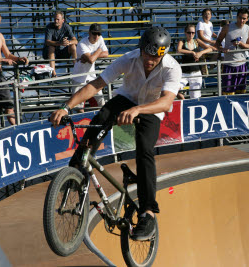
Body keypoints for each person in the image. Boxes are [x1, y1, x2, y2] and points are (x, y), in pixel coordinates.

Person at [50, 26, 181, 240]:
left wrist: (138, 110)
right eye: (148, 56)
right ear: (141, 50)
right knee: (101, 118)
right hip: (127, 98)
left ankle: (148, 213)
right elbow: (96, 84)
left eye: (156, 58)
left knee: (145, 150)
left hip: (151, 108)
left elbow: (166, 102)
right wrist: (66, 107)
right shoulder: (127, 59)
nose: (151, 61)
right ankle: (74, 171)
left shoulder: (171, 67)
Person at [0, 12, 29, 128]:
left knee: (9, 105)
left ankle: (18, 129)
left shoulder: (0, 36)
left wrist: (19, 58)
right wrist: (2, 60)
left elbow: (8, 54)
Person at [215, 8, 249, 95]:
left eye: (244, 18)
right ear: (236, 17)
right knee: (227, 93)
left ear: (247, 19)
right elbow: (217, 42)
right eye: (240, 18)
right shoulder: (227, 27)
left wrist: (240, 44)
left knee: (241, 93)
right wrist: (221, 49)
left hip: (242, 65)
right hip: (229, 64)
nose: (241, 20)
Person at [72, 23, 109, 112]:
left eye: (99, 34)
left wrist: (91, 55)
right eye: (94, 33)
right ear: (89, 33)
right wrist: (99, 50)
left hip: (91, 77)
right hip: (79, 78)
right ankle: (82, 125)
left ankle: (98, 122)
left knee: (101, 102)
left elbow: (106, 54)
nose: (96, 36)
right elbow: (92, 60)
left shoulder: (100, 39)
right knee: (78, 106)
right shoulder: (82, 44)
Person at [177, 24, 212, 99]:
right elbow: (179, 50)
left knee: (195, 96)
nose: (191, 34)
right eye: (189, 32)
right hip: (184, 73)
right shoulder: (182, 41)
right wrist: (192, 52)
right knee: (176, 89)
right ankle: (183, 100)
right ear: (185, 33)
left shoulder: (197, 41)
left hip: (196, 72)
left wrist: (200, 53)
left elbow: (210, 48)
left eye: (193, 33)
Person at [43, 11, 78, 77]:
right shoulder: (49, 27)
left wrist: (68, 42)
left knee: (73, 46)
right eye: (55, 19)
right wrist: (59, 43)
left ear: (63, 20)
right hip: (51, 53)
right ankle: (53, 73)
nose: (56, 21)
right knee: (51, 47)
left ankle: (77, 70)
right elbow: (47, 42)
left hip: (62, 51)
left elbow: (75, 41)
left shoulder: (66, 27)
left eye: (58, 19)